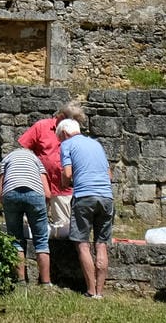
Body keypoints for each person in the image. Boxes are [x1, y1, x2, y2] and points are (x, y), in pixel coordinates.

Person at [57, 117, 113, 299]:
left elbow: (67, 173)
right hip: (106, 197)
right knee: (101, 244)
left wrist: (65, 182)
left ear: (64, 133)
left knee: (82, 243)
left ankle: (90, 290)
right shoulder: (97, 144)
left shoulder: (67, 145)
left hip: (84, 196)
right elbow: (109, 174)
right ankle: (100, 292)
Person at [19, 103, 86, 240]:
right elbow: (23, 148)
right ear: (62, 117)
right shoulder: (41, 126)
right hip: (40, 185)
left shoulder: (72, 130)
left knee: (64, 229)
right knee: (33, 226)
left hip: (62, 187)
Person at [0, 135, 51, 285]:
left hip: (11, 193)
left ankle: (20, 280)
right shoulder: (36, 159)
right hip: (35, 194)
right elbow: (47, 192)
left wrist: (6, 202)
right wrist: (45, 206)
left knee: (16, 238)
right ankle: (46, 283)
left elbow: (1, 189)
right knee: (41, 240)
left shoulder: (7, 158)